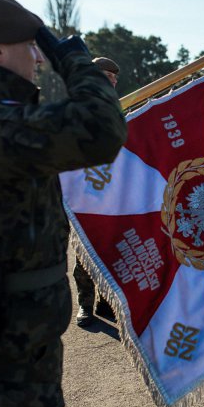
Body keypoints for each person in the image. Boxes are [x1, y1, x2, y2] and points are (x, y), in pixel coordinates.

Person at [0, 0, 127, 407]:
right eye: (30, 46)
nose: (37, 58)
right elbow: (100, 129)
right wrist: (74, 58)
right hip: (1, 350)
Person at [73, 56, 121, 327]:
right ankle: (85, 305)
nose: (113, 81)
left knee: (109, 249)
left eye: (115, 78)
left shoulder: (118, 105)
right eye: (108, 76)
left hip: (110, 190)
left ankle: (106, 302)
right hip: (83, 190)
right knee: (84, 253)